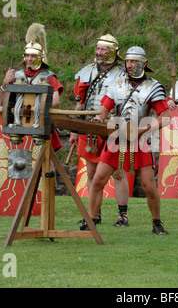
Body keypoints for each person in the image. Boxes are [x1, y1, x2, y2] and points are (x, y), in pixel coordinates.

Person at [87, 46, 171, 235]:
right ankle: (91, 220)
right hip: (116, 139)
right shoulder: (116, 84)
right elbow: (104, 110)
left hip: (140, 141)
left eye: (133, 61)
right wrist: (100, 120)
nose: (129, 65)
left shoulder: (153, 87)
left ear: (144, 63)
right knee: (98, 179)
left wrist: (144, 129)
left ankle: (157, 222)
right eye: (127, 61)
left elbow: (165, 116)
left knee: (149, 187)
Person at [69, 34, 130, 228]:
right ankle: (94, 214)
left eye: (103, 49)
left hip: (112, 127)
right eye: (98, 49)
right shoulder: (86, 72)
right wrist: (74, 130)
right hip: (88, 127)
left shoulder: (123, 74)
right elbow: (80, 103)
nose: (99, 53)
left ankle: (123, 216)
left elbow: (126, 103)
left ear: (112, 51)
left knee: (118, 173)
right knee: (91, 173)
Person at [0, 23, 64, 152]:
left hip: (40, 122)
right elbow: (1, 102)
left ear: (40, 57)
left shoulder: (48, 77)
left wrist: (33, 110)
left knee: (46, 157)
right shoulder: (16, 76)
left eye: (33, 56)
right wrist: (5, 83)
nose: (29, 59)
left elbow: (55, 101)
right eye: (27, 55)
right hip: (19, 122)